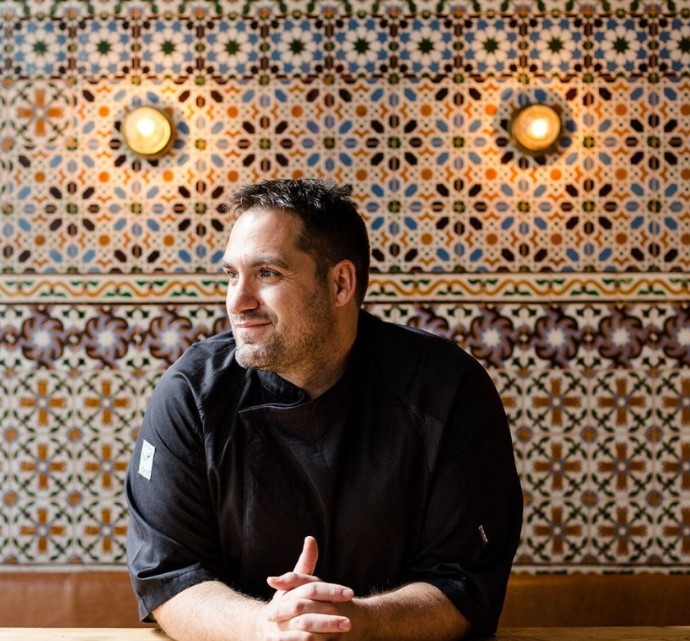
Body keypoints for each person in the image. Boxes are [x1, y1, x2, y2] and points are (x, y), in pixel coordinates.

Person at [125, 178, 523, 641]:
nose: (238, 300)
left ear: (340, 283)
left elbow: (466, 586)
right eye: (232, 275)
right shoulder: (191, 394)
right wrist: (268, 627)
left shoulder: (449, 392)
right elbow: (169, 578)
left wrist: (355, 623)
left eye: (268, 273)